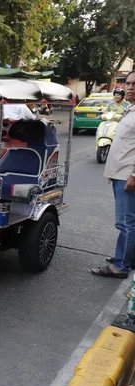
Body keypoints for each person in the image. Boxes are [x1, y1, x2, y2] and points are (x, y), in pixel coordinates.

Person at [91, 71, 135, 280]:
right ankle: (127, 257)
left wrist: (134, 175)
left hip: (128, 175)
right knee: (129, 222)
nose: (130, 87)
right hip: (121, 173)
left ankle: (121, 266)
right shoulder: (130, 109)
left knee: (125, 223)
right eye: (128, 83)